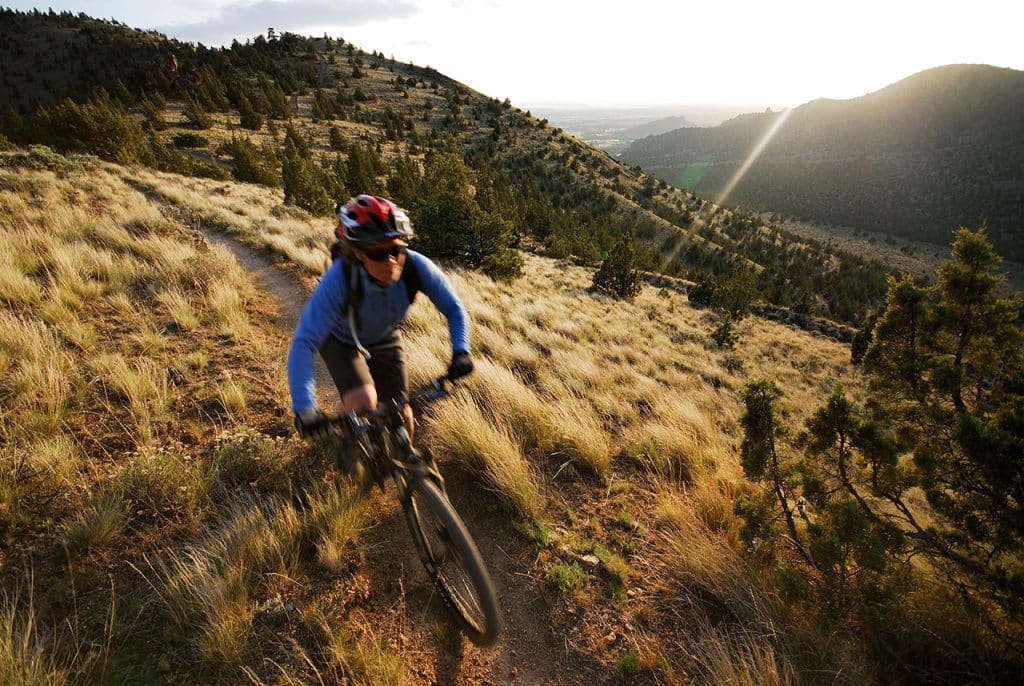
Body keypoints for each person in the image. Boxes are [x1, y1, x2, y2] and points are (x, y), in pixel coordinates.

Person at [287, 194, 473, 457]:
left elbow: (454, 309)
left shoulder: (415, 267)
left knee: (402, 414)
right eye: (377, 252)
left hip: (384, 337)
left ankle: (404, 473)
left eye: (395, 249)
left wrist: (461, 351)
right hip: (340, 340)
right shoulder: (339, 279)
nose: (390, 261)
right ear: (358, 254)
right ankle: (347, 448)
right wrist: (305, 408)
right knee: (364, 402)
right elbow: (304, 343)